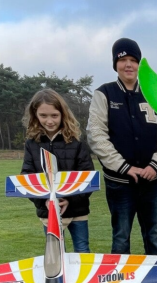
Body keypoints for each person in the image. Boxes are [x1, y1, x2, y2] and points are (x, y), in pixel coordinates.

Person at [87, 38, 157, 256]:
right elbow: (96, 135)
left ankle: (154, 273)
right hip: (119, 184)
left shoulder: (153, 93)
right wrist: (124, 167)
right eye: (122, 59)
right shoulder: (104, 93)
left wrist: (155, 165)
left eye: (133, 60)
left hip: (151, 182)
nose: (128, 64)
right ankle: (120, 277)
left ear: (139, 64)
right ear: (115, 64)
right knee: (121, 237)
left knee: (152, 235)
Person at [21, 88, 95, 253]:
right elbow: (27, 177)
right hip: (48, 213)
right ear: (35, 115)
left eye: (54, 115)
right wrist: (45, 201)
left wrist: (68, 200)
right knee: (56, 254)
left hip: (77, 210)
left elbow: (87, 177)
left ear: (63, 114)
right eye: (43, 115)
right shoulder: (31, 144)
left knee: (82, 250)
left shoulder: (76, 142)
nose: (49, 121)